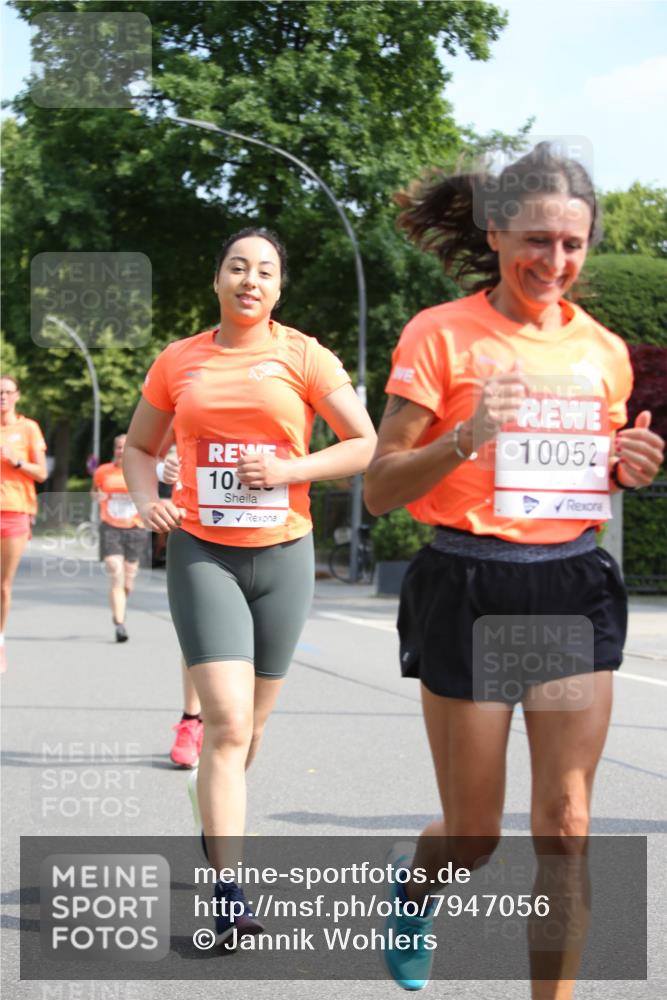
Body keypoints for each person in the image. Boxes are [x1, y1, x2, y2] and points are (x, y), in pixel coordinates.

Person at [363, 143, 665, 995]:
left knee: (566, 826)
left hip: (570, 581)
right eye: (536, 240)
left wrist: (622, 466)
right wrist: (463, 435)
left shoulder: (604, 351)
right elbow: (382, 488)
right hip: (466, 582)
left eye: (572, 245)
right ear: (495, 231)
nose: (555, 263)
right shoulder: (440, 335)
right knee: (473, 835)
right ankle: (415, 889)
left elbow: (585, 471)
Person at [123, 227, 376, 942]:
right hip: (204, 551)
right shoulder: (180, 361)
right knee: (227, 723)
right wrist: (148, 501)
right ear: (217, 280)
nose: (250, 280)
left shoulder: (303, 355)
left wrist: (290, 472)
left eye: (264, 270)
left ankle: (216, 814)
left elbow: (364, 444)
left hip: (284, 557)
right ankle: (227, 892)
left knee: (251, 730)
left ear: (277, 287)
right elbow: (142, 447)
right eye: (237, 267)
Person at [158, 445, 204, 768]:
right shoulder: (179, 393)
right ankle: (191, 720)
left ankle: (232, 724)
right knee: (199, 634)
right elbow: (146, 451)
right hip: (196, 532)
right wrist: (164, 470)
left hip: (271, 533)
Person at [0, 374, 48, 672]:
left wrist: (16, 460)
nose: (2, 397)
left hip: (15, 512)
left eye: (6, 392)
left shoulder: (28, 428)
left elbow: (41, 473)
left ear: (17, 395)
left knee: (3, 585)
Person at [92, 434, 150, 643]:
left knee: (128, 582)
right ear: (114, 450)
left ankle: (120, 606)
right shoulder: (103, 472)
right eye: (118, 447)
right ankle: (119, 623)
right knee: (115, 572)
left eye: (125, 447)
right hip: (110, 528)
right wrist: (97, 497)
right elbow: (95, 491)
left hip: (135, 529)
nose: (120, 451)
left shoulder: (140, 471)